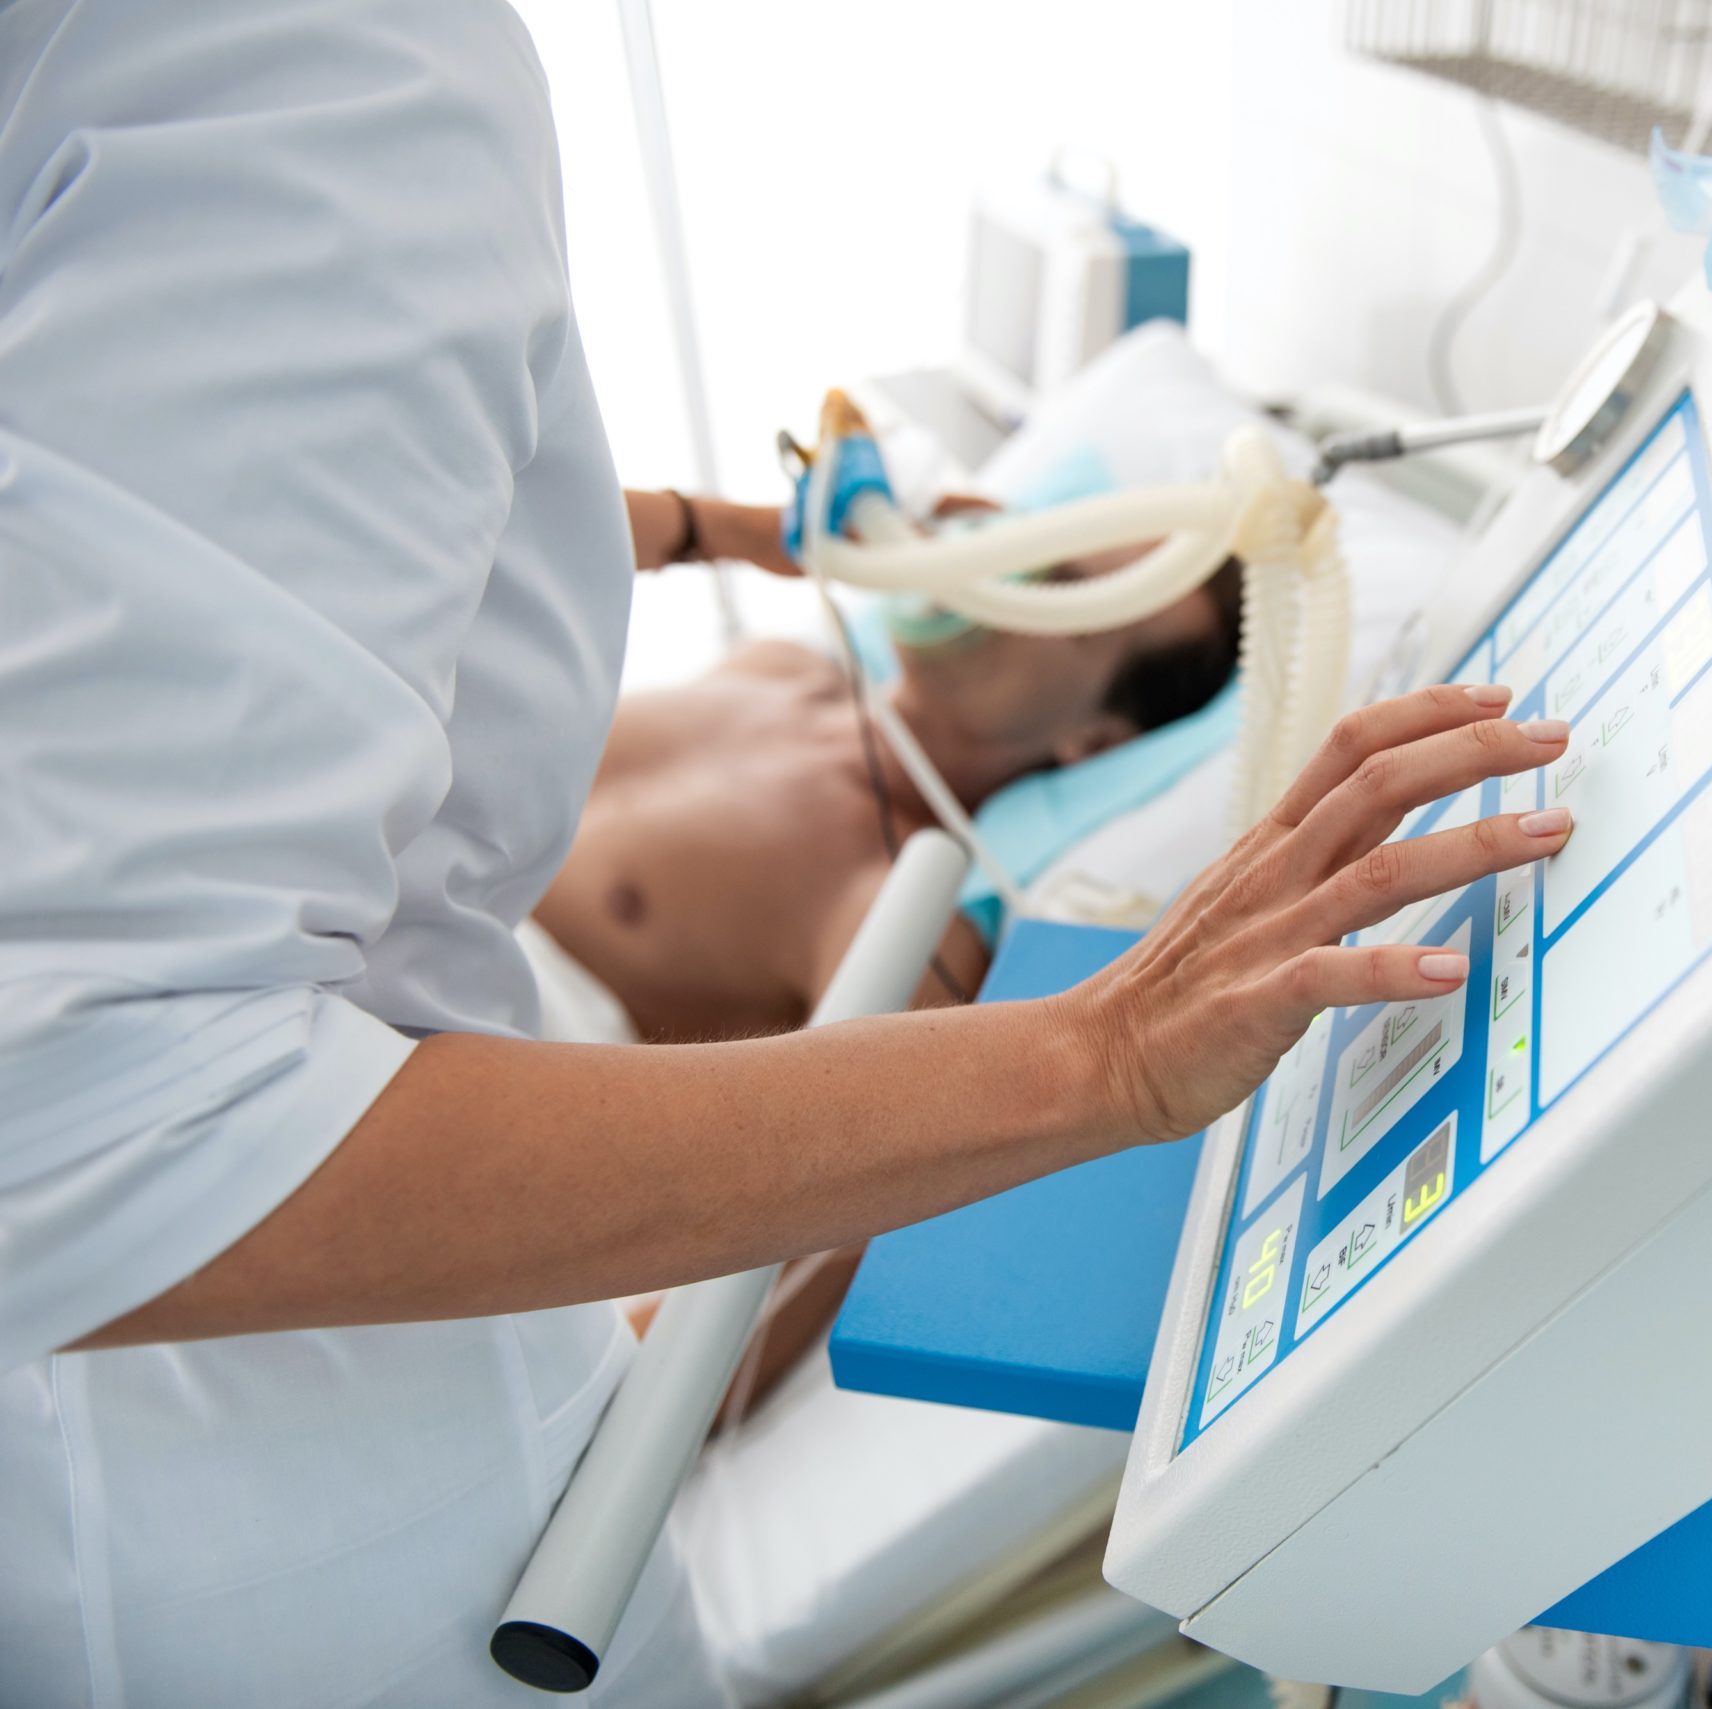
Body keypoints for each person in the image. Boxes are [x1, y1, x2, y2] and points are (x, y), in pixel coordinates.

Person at [0, 5, 1572, 1703]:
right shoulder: (773, 662)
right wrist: (707, 525)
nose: (989, 548)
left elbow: (765, 1272)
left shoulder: (904, 891)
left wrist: (1097, 1047)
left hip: (373, 1207)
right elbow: (334, 528)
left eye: (1067, 574)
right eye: (1006, 520)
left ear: (1092, 733)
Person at [539, 509, 1244, 1042]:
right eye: (1031, 540)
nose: (1000, 571)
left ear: (1093, 739)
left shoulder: (905, 924)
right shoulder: (778, 667)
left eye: (1060, 588)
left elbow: (819, 1229)